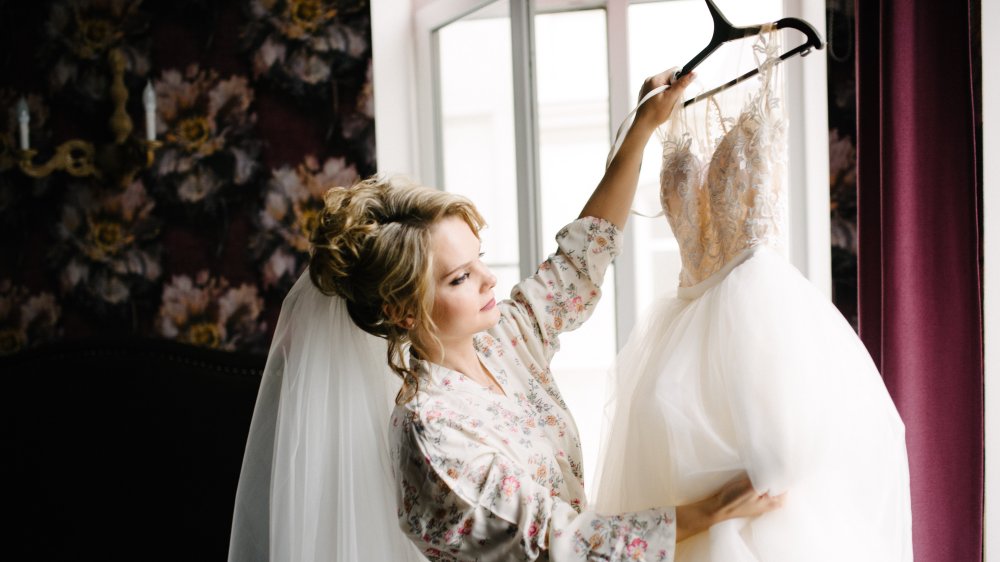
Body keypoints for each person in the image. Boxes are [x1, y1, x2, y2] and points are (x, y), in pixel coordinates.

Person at [228, 67, 782, 562]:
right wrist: (709, 511)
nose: (490, 280)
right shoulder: (430, 433)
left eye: (480, 261)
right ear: (401, 310)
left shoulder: (504, 340)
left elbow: (578, 261)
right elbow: (553, 541)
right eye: (460, 278)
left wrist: (640, 131)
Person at [591, 30, 912, 561]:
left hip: (757, 315)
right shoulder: (663, 116)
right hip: (687, 325)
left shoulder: (775, 60)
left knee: (776, 487)